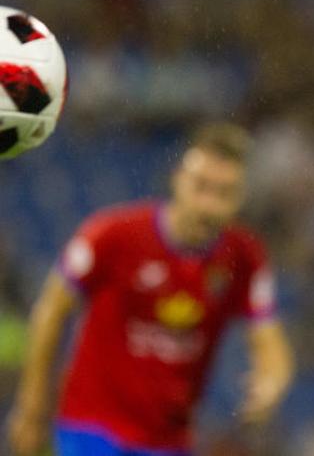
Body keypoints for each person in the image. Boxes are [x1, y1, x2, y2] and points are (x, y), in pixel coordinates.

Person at [7, 123, 295, 456]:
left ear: (241, 196)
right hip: (91, 428)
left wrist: (272, 382)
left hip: (168, 441)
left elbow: (269, 337)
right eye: (201, 187)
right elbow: (52, 308)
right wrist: (32, 404)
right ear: (177, 179)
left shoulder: (244, 257)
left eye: (224, 193)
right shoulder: (112, 236)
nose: (208, 205)